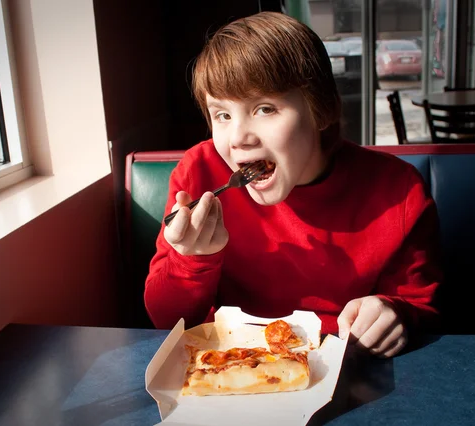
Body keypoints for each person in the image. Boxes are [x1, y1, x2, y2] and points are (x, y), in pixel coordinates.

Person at [144, 12, 442, 358]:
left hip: (348, 363)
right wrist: (190, 259)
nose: (238, 138)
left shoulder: (398, 191)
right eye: (222, 115)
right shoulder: (198, 174)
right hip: (234, 367)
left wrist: (395, 312)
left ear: (322, 110)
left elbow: (422, 308)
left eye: (265, 109)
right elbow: (166, 322)